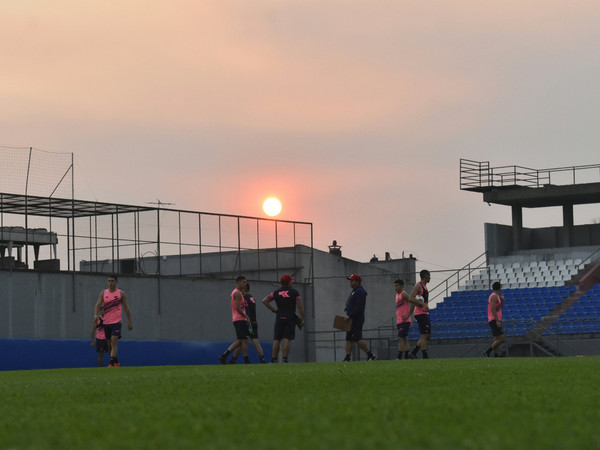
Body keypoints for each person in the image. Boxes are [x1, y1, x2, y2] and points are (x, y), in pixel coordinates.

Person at [262, 274, 304, 363]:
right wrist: (302, 318)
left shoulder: (276, 292)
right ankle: (285, 359)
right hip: (290, 318)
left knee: (277, 339)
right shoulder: (295, 292)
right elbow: (300, 307)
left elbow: (264, 301)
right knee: (286, 339)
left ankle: (273, 359)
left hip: (279, 318)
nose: (292, 282)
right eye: (291, 281)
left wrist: (274, 310)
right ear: (288, 282)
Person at [93, 274, 133, 367]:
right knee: (109, 344)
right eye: (109, 281)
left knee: (114, 340)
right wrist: (95, 315)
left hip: (117, 321)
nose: (110, 283)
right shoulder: (104, 293)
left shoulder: (121, 293)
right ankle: (116, 361)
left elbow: (126, 308)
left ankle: (111, 363)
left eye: (112, 281)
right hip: (106, 322)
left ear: (116, 282)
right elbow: (98, 304)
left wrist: (130, 321)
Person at [228, 282, 266, 364]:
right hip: (254, 322)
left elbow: (239, 308)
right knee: (255, 342)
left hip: (247, 323)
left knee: (242, 341)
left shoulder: (243, 298)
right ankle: (262, 359)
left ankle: (234, 359)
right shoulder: (252, 297)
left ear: (244, 289)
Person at [218, 276, 251, 364]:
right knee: (244, 340)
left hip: (238, 319)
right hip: (239, 319)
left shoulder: (237, 293)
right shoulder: (237, 294)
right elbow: (238, 308)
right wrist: (246, 316)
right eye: (244, 282)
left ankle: (224, 356)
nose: (245, 284)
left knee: (241, 340)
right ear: (239, 283)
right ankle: (246, 360)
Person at [343, 274, 376, 362]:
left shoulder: (360, 292)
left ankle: (370, 355)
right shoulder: (355, 291)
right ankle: (347, 357)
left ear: (357, 282)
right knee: (348, 338)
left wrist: (350, 315)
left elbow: (359, 307)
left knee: (357, 339)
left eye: (352, 280)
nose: (351, 282)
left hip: (356, 319)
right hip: (350, 319)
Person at [394, 279, 428, 360]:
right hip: (399, 321)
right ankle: (406, 356)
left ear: (401, 286)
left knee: (400, 337)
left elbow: (412, 302)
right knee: (405, 338)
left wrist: (408, 315)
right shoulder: (396, 296)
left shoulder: (404, 295)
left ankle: (399, 356)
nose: (395, 287)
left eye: (397, 286)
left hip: (405, 321)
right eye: (394, 286)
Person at [409, 270, 431, 359]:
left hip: (424, 313)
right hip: (420, 313)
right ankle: (425, 356)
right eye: (429, 276)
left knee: (428, 335)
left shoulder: (425, 287)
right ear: (425, 276)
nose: (430, 277)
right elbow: (411, 298)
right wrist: (423, 304)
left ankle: (414, 352)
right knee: (424, 335)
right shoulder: (418, 286)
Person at [483, 281, 505, 358]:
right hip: (494, 319)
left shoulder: (497, 296)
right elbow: (493, 310)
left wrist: (502, 300)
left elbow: (500, 309)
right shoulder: (494, 296)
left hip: (496, 319)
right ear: (499, 288)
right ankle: (487, 352)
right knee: (502, 339)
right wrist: (497, 321)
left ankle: (496, 355)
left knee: (496, 339)